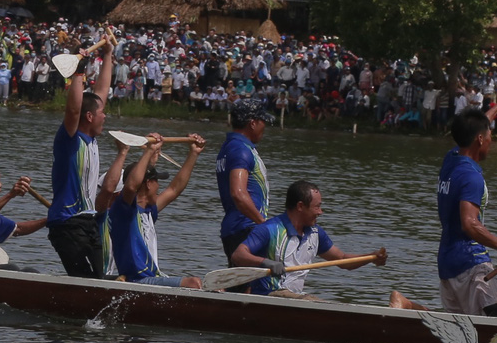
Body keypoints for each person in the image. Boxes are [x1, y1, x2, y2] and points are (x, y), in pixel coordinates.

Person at [434, 103, 497, 317]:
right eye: (489, 136)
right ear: (479, 139)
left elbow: (470, 127)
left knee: (464, 330)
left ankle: (410, 308)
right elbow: (470, 223)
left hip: (446, 261)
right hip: (471, 261)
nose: (490, 141)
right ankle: (409, 307)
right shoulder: (471, 177)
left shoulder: (451, 160)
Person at [230, 180, 381, 297]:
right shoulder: (269, 230)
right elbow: (238, 255)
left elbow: (343, 260)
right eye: (317, 207)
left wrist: (371, 257)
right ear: (300, 206)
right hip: (270, 295)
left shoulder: (316, 234)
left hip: (295, 297)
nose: (320, 212)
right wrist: (265, 262)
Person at [46, 34, 115, 276]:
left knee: (100, 278)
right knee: (86, 281)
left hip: (89, 221)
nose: (104, 116)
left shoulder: (92, 138)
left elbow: (102, 91)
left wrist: (107, 54)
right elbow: (74, 108)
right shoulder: (70, 139)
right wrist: (78, 72)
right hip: (66, 222)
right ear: (89, 117)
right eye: (101, 113)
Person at [105, 132, 206, 288]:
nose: (160, 187)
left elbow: (175, 189)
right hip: (136, 281)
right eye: (157, 181)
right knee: (193, 283)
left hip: (153, 277)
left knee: (212, 285)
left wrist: (193, 153)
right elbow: (131, 186)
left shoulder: (148, 212)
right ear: (148, 184)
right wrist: (149, 151)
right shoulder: (122, 212)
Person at [215, 100, 270, 262]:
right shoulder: (240, 150)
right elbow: (238, 193)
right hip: (245, 228)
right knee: (253, 286)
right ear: (252, 123)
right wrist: (263, 223)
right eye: (263, 121)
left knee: (242, 285)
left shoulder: (230, 146)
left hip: (238, 227)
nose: (264, 127)